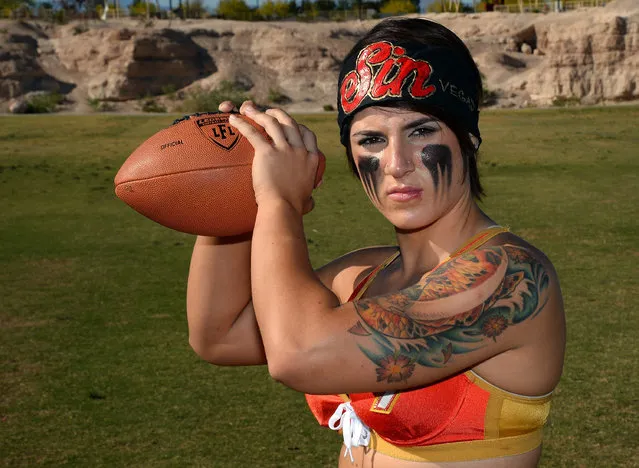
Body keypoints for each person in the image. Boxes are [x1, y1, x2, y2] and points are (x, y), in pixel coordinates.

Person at [186, 17, 566, 468]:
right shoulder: (363, 275)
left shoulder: (508, 275)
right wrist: (233, 192)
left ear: (468, 138)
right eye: (371, 140)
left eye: (421, 131)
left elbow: (297, 355)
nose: (395, 164)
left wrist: (279, 201)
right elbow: (219, 336)